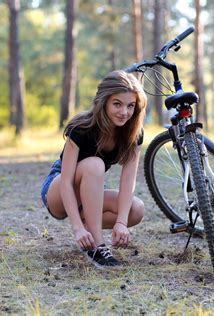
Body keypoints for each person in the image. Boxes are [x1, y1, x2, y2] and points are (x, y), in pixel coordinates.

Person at [41, 70, 147, 268]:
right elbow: (65, 181)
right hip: (60, 188)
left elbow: (128, 180)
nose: (124, 112)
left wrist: (121, 223)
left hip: (91, 187)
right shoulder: (82, 128)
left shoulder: (133, 133)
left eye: (130, 106)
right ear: (103, 102)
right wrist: (78, 229)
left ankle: (90, 224)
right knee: (94, 164)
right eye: (117, 104)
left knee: (136, 210)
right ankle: (97, 246)